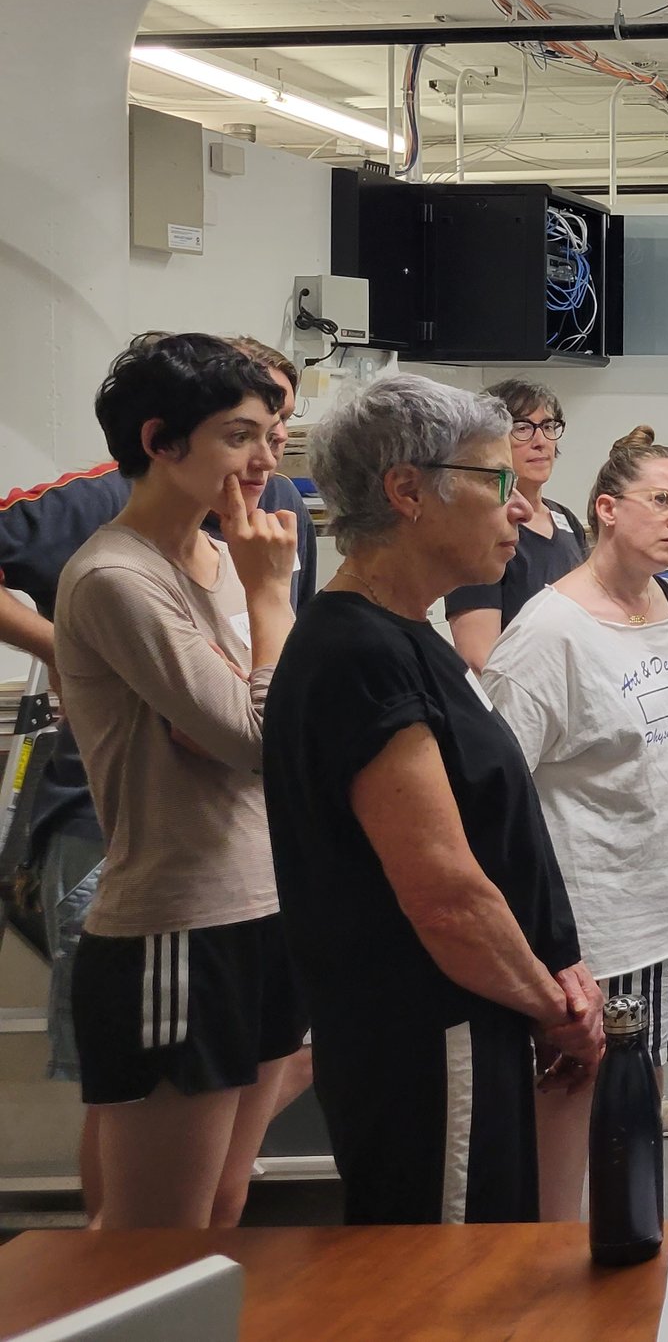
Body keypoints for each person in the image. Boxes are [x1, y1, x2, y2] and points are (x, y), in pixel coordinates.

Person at [264, 373, 603, 1225]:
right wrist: (552, 1005)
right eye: (496, 482)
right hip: (427, 1038)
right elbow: (445, 892)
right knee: (449, 1282)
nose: (520, 507)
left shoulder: (410, 634)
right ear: (406, 490)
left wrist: (548, 972)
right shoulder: (358, 653)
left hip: (475, 1022)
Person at [0, 337, 314, 1217]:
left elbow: (260, 726)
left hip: (259, 906)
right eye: (238, 436)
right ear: (161, 440)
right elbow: (262, 738)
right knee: (151, 1243)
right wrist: (271, 599)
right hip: (178, 926)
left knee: (221, 1201)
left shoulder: (222, 556)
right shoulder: (114, 575)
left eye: (271, 432)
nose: (265, 458)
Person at [486, 426, 668, 1207]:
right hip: (598, 920)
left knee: (636, 1108)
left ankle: (630, 1257)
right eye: (660, 500)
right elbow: (492, 790)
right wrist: (537, 938)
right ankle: (550, 1278)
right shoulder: (549, 631)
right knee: (572, 1107)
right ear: (605, 509)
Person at [447, 379, 586, 672]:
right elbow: (479, 654)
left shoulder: (567, 520)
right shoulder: (481, 528)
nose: (541, 441)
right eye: (523, 427)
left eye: (549, 426)